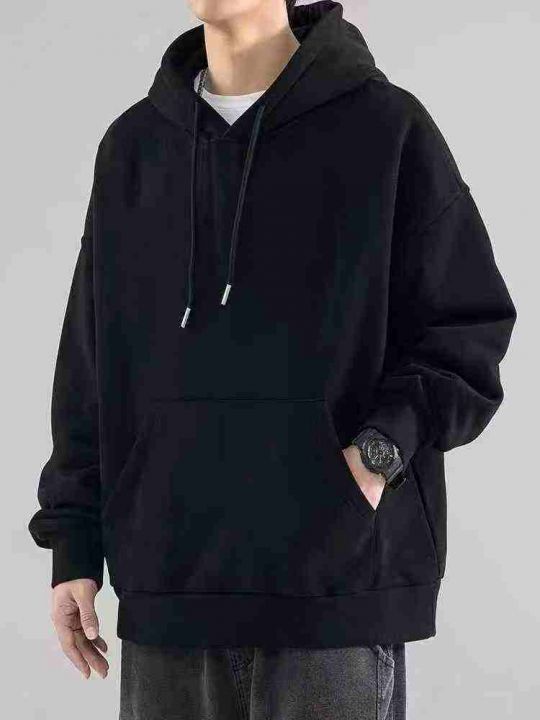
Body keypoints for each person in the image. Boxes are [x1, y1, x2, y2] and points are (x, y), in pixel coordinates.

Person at [28, 1, 516, 718]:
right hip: (170, 592)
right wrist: (73, 543)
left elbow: (468, 327)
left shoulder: (386, 129)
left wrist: (377, 453)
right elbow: (90, 362)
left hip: (332, 594)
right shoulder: (135, 147)